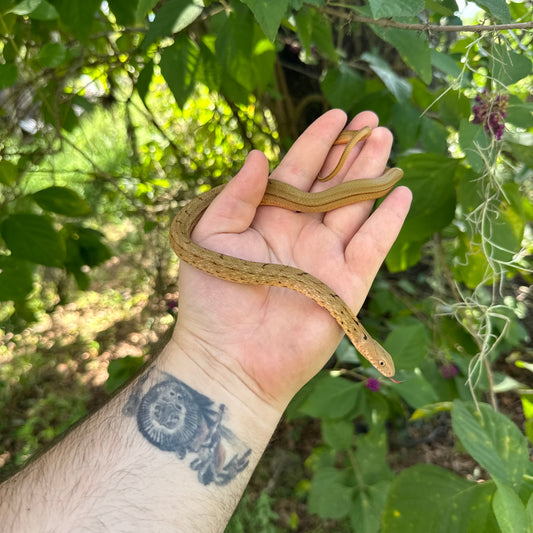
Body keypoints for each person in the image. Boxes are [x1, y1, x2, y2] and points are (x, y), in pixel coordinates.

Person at [0, 109, 412, 532]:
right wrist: (216, 362)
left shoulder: (340, 312)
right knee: (315, 188)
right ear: (366, 348)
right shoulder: (332, 305)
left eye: (380, 365)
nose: (380, 365)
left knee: (351, 184)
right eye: (379, 362)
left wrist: (231, 379)